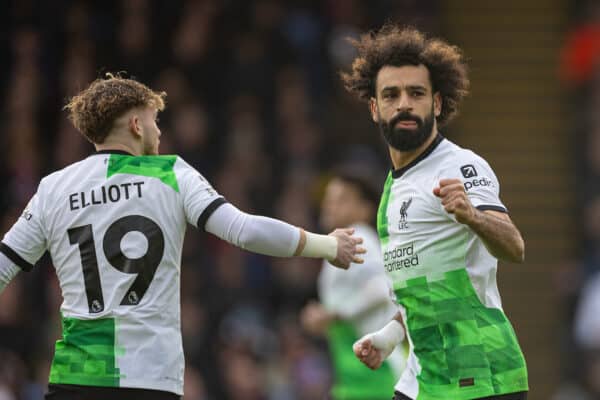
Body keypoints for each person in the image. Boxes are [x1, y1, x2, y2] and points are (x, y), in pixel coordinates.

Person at [0, 74, 365, 400]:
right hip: (149, 378)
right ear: (136, 124)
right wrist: (327, 244)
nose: (159, 132)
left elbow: (4, 265)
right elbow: (245, 230)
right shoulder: (170, 173)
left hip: (75, 377)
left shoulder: (54, 188)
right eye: (155, 121)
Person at [341, 25, 529, 400]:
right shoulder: (393, 187)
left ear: (437, 104)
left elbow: (515, 247)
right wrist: (390, 336)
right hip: (424, 376)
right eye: (391, 95)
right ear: (375, 109)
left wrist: (473, 216)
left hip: (484, 375)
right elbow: (421, 291)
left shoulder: (459, 166)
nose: (404, 104)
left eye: (417, 93)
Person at [300, 165, 406, 400]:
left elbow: (382, 291)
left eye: (341, 199)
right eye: (328, 198)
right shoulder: (340, 246)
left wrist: (331, 315)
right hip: (356, 373)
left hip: (374, 375)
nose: (330, 205)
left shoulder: (359, 238)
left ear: (365, 209)